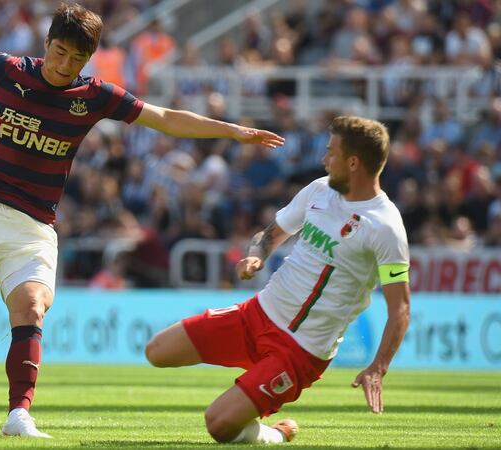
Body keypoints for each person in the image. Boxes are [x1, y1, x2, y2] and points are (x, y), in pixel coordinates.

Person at [0, 2, 285, 439]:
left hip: (32, 229)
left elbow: (165, 118)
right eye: (59, 52)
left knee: (31, 307)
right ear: (46, 43)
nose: (64, 64)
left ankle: (18, 415)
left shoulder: (93, 96)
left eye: (77, 58)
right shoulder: (9, 69)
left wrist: (232, 130)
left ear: (88, 59)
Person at [145, 116, 411, 444]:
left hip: (300, 349)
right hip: (256, 315)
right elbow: (270, 235)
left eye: (331, 152)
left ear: (353, 162)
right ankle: (254, 385)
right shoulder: (319, 190)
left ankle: (277, 433)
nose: (324, 159)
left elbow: (400, 308)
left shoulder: (385, 226)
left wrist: (379, 366)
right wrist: (257, 254)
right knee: (157, 351)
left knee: (218, 424)